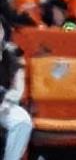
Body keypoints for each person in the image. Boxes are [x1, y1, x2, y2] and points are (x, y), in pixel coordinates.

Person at [0, 22, 32, 160]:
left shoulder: (12, 54)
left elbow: (18, 87)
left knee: (22, 121)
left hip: (4, 103)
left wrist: (7, 103)